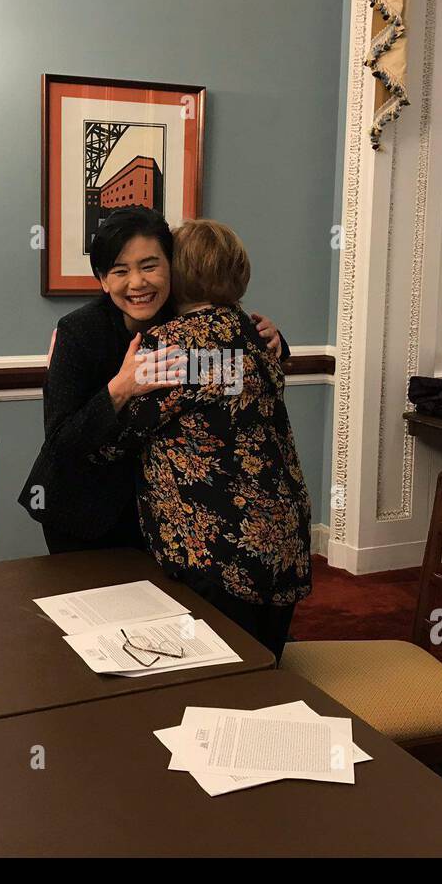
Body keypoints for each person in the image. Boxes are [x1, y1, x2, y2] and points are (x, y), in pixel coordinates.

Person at [95, 219, 312, 659]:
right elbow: (225, 382)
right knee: (264, 663)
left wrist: (109, 397)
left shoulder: (171, 344)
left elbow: (115, 440)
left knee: (216, 676)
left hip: (217, 548)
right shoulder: (256, 332)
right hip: (282, 535)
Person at [17, 205, 286, 553]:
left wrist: (278, 341)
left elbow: (228, 365)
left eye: (149, 265)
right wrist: (120, 387)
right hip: (82, 514)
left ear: (171, 267)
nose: (137, 283)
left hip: (157, 513)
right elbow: (61, 443)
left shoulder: (182, 319)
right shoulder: (79, 332)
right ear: (103, 280)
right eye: (119, 271)